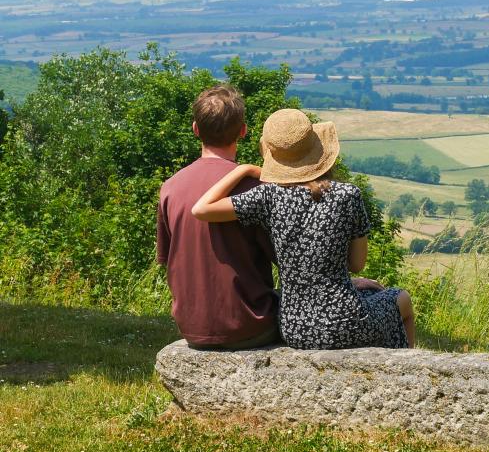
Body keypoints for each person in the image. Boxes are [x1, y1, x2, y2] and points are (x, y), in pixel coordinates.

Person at [191, 108, 415, 350]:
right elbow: (356, 264)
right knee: (401, 300)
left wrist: (243, 169)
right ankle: (405, 367)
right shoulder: (347, 195)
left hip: (295, 328)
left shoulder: (268, 196)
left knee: (373, 299)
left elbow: (201, 209)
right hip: (347, 321)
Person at [156, 86, 279, 349]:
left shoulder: (170, 187)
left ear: (195, 129)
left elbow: (167, 260)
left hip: (192, 327)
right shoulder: (255, 189)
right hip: (250, 324)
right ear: (243, 131)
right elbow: (284, 259)